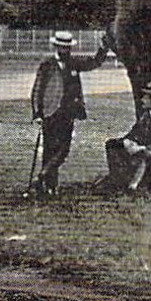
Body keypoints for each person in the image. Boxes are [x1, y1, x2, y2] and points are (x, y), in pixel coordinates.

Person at [30, 30, 111, 196]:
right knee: (49, 149)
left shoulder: (74, 63)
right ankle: (49, 186)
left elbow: (94, 62)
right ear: (56, 46)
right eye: (62, 47)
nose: (65, 50)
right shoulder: (47, 64)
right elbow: (38, 89)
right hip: (50, 111)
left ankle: (42, 176)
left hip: (68, 112)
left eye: (67, 48)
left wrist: (103, 49)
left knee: (64, 149)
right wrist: (37, 113)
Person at [105, 82, 151, 193]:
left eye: (146, 98)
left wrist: (140, 148)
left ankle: (132, 186)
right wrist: (127, 141)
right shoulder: (145, 116)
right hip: (141, 150)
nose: (142, 100)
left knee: (143, 154)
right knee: (112, 144)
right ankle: (117, 179)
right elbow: (134, 133)